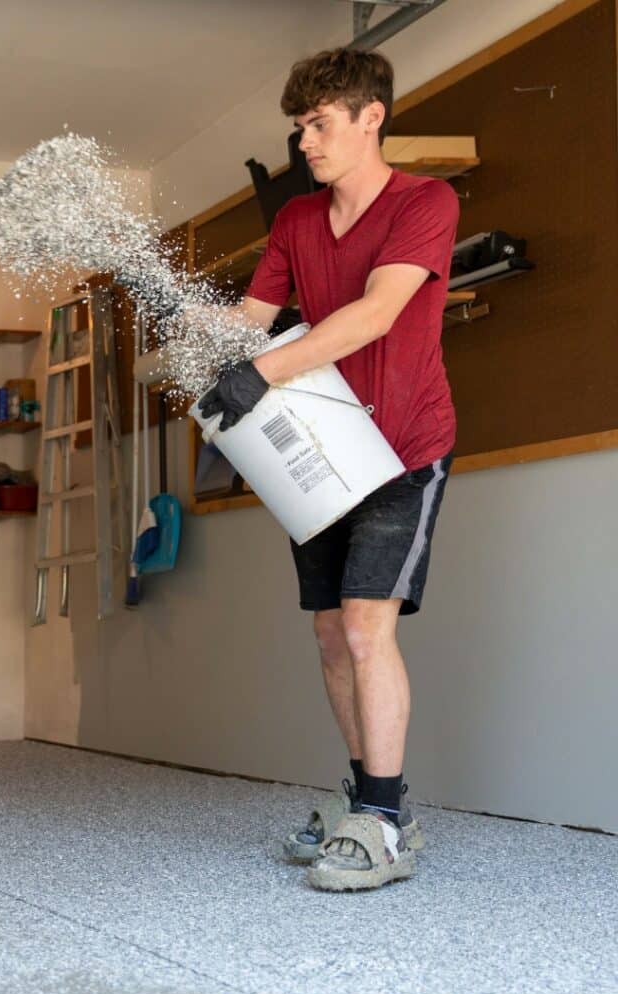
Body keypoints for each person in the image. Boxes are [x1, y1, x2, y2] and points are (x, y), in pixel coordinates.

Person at [199, 48, 459, 891]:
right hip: (323, 454)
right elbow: (249, 320)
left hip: (404, 448)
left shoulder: (426, 201)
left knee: (362, 624)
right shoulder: (297, 222)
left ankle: (382, 821)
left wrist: (263, 371)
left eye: (318, 123)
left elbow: (377, 314)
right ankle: (368, 802)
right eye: (299, 126)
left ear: (370, 116)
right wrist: (198, 347)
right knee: (326, 633)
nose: (304, 141)